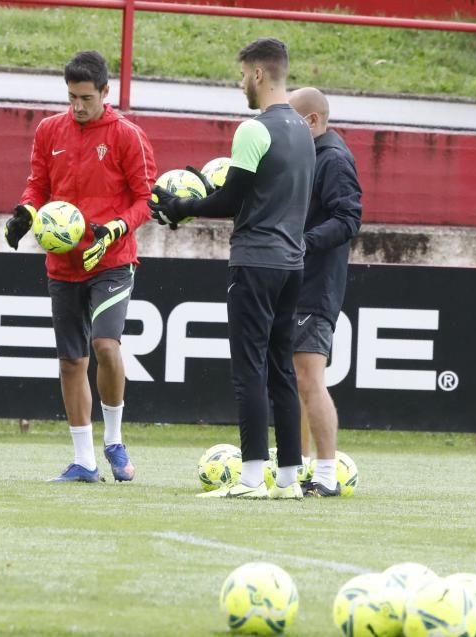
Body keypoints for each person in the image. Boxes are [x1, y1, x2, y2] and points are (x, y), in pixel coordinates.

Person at [149, 37, 315, 499]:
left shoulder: (253, 129)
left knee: (249, 371)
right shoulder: (304, 129)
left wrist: (182, 205)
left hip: (256, 262)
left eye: (242, 74)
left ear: (259, 74)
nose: (240, 82)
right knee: (281, 370)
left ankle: (249, 479)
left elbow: (231, 199)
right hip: (291, 265)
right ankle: (287, 480)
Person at [3, 50, 157, 483]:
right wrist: (25, 213)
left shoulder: (127, 136)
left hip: (111, 260)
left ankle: (113, 439)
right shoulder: (49, 130)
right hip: (62, 264)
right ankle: (84, 461)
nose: (77, 106)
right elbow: (38, 184)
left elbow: (147, 200)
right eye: (71, 97)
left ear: (105, 92)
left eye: (86, 98)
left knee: (106, 346)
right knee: (72, 361)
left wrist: (114, 228)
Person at [287, 87, 362, 497]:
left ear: (313, 121)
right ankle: (297, 470)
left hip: (316, 285)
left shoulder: (333, 158)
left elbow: (349, 219)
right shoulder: (307, 156)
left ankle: (327, 475)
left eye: (292, 122)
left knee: (309, 377)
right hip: (292, 281)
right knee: (292, 378)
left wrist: (304, 243)